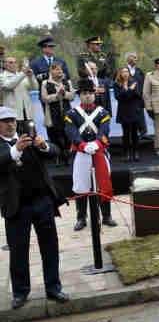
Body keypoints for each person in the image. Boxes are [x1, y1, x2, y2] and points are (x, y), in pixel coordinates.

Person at [0, 106, 68, 310]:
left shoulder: (28, 137)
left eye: (12, 120)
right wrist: (16, 150)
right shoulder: (10, 146)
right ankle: (21, 292)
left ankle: (53, 287)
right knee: (18, 250)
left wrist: (44, 145)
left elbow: (55, 152)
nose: (11, 124)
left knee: (50, 247)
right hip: (16, 206)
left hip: (42, 201)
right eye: (5, 121)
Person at [66, 79, 117, 230]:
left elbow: (104, 130)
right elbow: (71, 133)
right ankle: (81, 218)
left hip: (99, 151)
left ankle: (106, 216)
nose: (87, 96)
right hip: (81, 153)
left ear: (94, 95)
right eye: (84, 93)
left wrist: (97, 143)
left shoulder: (103, 112)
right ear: (79, 96)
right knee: (80, 186)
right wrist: (82, 145)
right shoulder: (72, 114)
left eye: (90, 93)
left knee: (103, 183)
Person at [40, 63, 74, 165]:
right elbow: (44, 98)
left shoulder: (67, 82)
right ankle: (57, 156)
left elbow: (72, 96)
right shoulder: (45, 83)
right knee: (55, 136)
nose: (60, 71)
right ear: (51, 71)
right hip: (52, 114)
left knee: (67, 135)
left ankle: (68, 156)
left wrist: (64, 94)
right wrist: (57, 95)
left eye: (61, 70)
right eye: (57, 70)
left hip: (66, 113)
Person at [113, 67, 145, 162]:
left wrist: (127, 91)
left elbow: (137, 95)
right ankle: (126, 153)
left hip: (134, 110)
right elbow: (118, 97)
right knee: (126, 134)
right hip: (124, 111)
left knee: (135, 134)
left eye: (127, 71)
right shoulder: (116, 84)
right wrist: (128, 90)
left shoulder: (134, 82)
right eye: (123, 72)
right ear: (120, 74)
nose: (125, 73)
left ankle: (136, 152)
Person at [0, 56, 37, 127]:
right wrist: (23, 73)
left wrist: (31, 76)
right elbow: (9, 86)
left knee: (31, 135)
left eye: (15, 62)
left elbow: (35, 88)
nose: (14, 64)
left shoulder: (22, 75)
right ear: (5, 65)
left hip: (27, 112)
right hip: (12, 113)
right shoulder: (2, 76)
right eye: (11, 62)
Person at [125, 52, 147, 139]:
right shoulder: (123, 70)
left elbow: (144, 83)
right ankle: (131, 134)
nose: (136, 59)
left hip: (139, 98)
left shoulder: (139, 71)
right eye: (134, 57)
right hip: (128, 99)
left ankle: (143, 132)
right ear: (128, 59)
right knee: (129, 116)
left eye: (136, 57)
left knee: (140, 115)